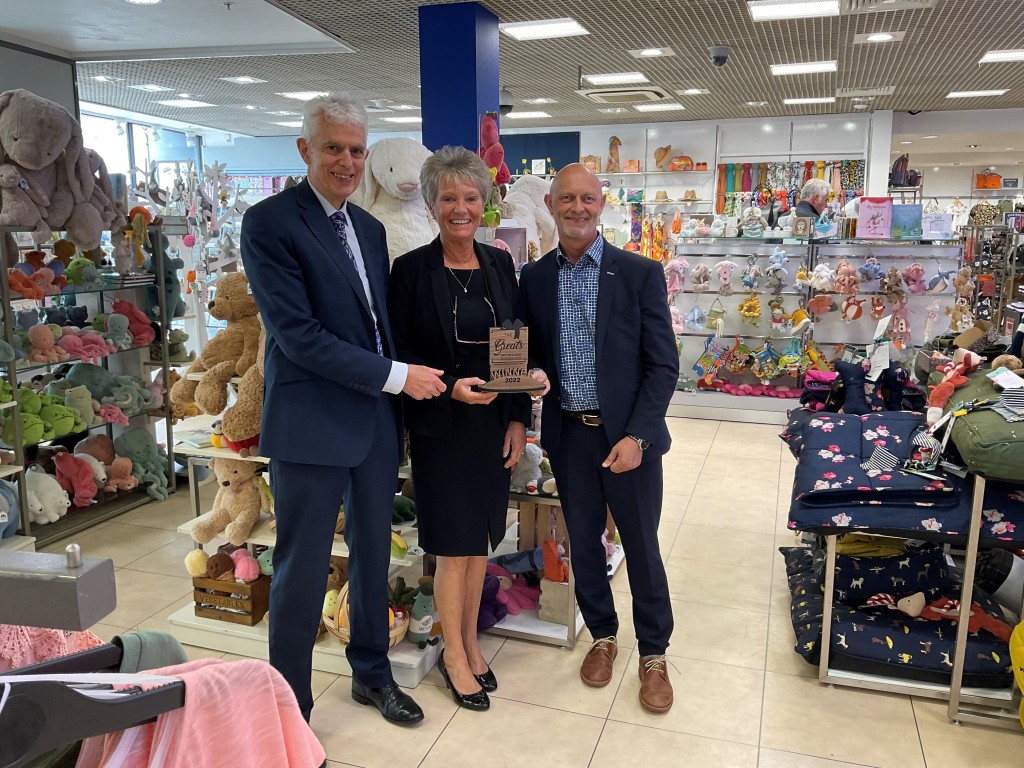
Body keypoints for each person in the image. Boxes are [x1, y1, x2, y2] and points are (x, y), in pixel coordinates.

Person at [240, 93, 446, 727]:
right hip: (311, 424)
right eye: (334, 147)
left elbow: (378, 327)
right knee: (301, 568)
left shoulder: (369, 228)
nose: (348, 161)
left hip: (376, 424)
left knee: (374, 556)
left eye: (357, 150)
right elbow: (298, 336)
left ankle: (371, 675)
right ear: (305, 150)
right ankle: (290, 707)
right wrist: (396, 377)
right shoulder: (270, 222)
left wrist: (406, 397)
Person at [519, 164, 679, 714]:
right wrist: (533, 372)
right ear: (550, 202)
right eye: (568, 199)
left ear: (602, 203)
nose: (578, 208)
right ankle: (604, 636)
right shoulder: (535, 278)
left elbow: (663, 366)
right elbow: (529, 350)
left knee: (641, 546)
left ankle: (654, 653)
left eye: (588, 198)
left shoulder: (638, 273)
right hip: (568, 437)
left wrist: (639, 435)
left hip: (629, 443)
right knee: (584, 543)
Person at [388, 146, 529, 712]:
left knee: (479, 546)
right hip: (443, 426)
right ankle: (453, 656)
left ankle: (470, 643)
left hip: (492, 422)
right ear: (431, 203)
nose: (461, 208)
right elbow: (400, 353)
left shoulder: (499, 263)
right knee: (452, 549)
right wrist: (449, 385)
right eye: (448, 198)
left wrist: (518, 416)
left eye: (471, 197)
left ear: (485, 202)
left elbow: (516, 341)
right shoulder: (411, 270)